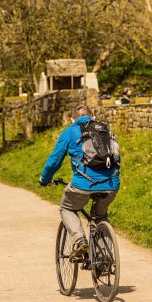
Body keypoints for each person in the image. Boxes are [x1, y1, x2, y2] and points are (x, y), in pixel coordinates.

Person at [39, 105, 120, 259]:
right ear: (93, 117)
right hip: (112, 183)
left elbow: (54, 161)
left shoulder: (69, 132)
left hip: (83, 184)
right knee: (99, 216)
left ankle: (80, 240)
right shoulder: (104, 130)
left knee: (67, 208)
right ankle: (104, 258)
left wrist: (44, 179)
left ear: (72, 119)